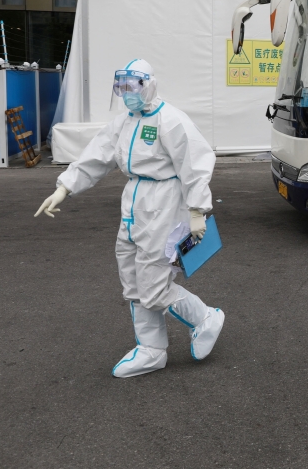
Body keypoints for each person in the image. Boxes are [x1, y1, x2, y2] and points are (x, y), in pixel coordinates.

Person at [34, 59, 224, 378]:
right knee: (133, 282)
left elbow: (195, 165)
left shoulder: (171, 120)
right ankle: (151, 349)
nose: (126, 93)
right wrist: (65, 187)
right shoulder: (125, 121)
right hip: (134, 205)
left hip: (164, 204)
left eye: (133, 85)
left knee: (155, 286)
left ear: (148, 84)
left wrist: (197, 211)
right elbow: (97, 155)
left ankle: (206, 317)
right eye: (121, 86)